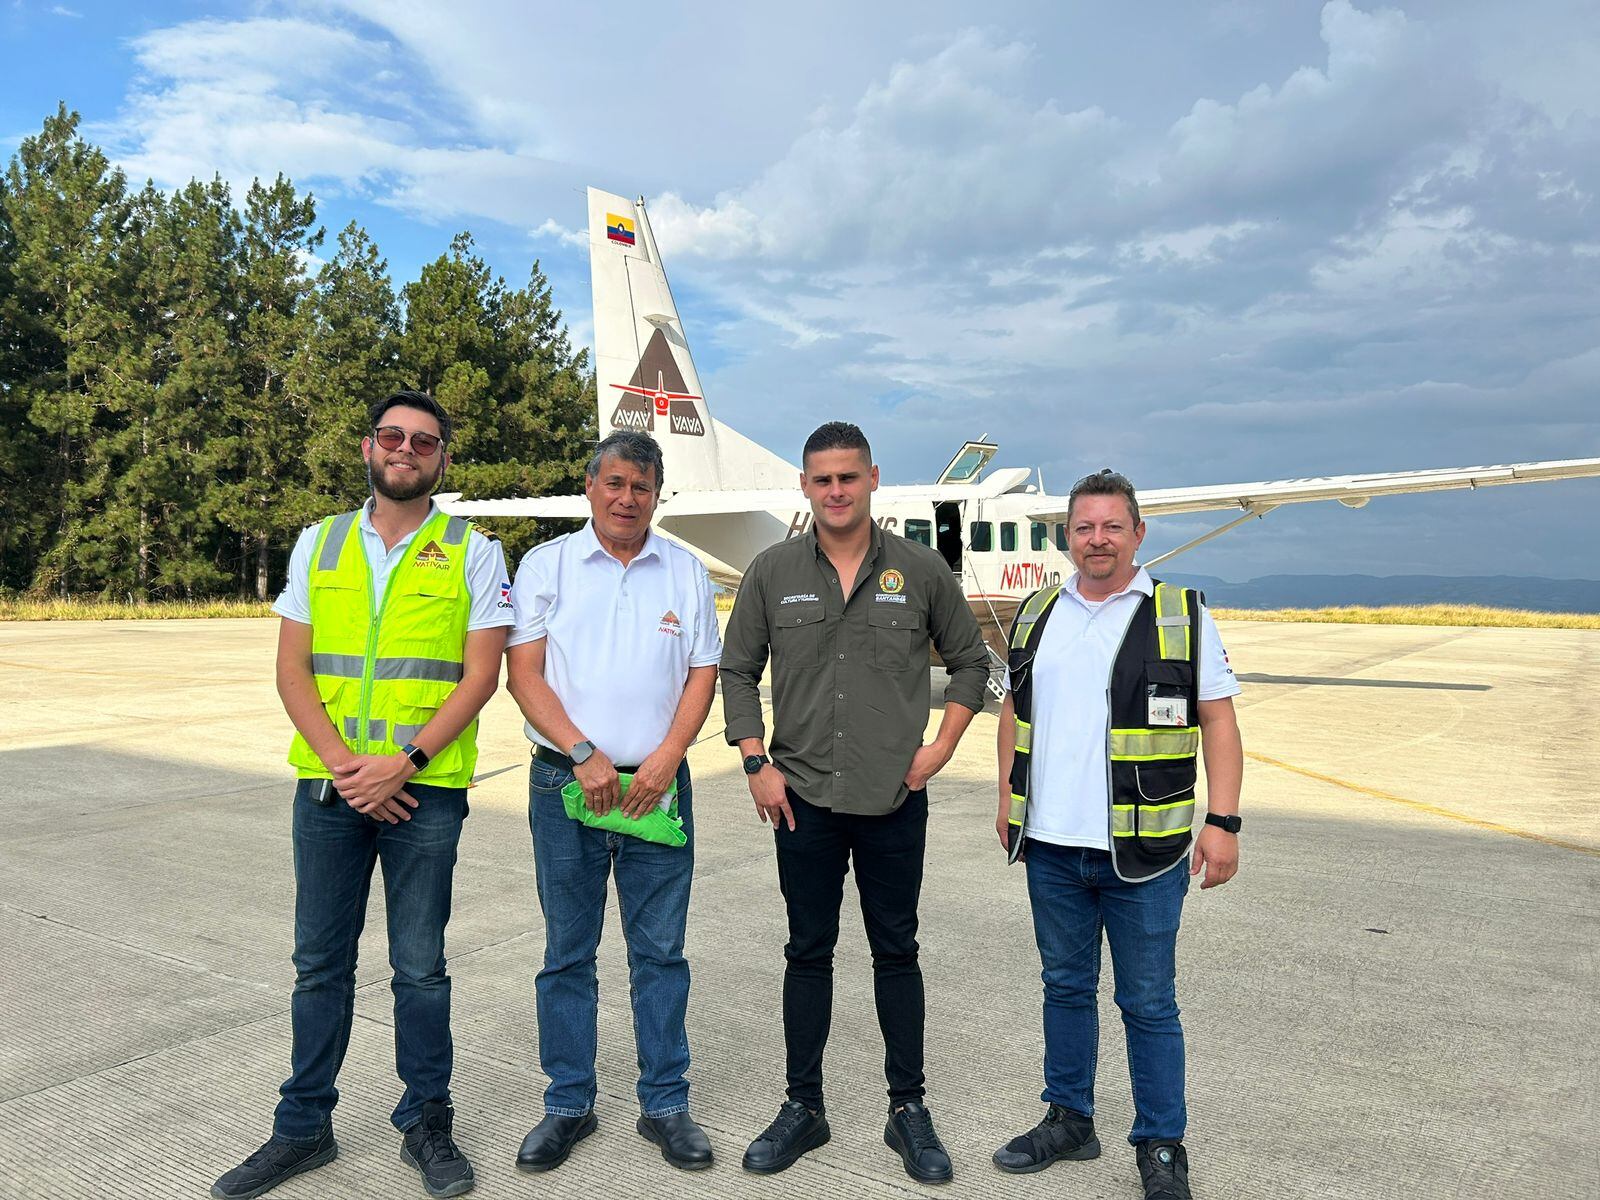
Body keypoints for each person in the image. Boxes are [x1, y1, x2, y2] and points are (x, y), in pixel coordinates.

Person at [213, 390, 512, 1200]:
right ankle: (303, 1128)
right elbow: (292, 669)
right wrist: (350, 767)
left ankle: (426, 1124)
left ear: (444, 457)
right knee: (319, 968)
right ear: (367, 448)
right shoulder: (320, 543)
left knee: (420, 969)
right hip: (330, 788)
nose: (405, 449)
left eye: (424, 440)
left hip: (426, 794)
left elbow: (482, 675)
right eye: (392, 436)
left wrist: (401, 765)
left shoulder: (475, 551)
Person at [720, 421, 991, 1184]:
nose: (836, 491)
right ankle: (803, 1106)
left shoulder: (921, 570)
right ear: (804, 487)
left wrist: (941, 748)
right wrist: (754, 762)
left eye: (848, 477)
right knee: (808, 953)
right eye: (821, 479)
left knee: (896, 953)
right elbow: (736, 672)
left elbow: (971, 662)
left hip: (892, 801)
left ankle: (908, 1110)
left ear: (873, 478)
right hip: (800, 798)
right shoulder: (772, 572)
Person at [991, 469, 1243, 1200]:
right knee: (1064, 988)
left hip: (1148, 853)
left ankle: (1161, 1144)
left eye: (1111, 526)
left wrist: (1222, 823)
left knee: (1148, 1001)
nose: (1097, 540)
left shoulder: (1181, 614)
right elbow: (1014, 710)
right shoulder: (1038, 612)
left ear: (1137, 533)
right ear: (1066, 537)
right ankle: (1069, 1118)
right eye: (1083, 527)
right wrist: (1008, 794)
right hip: (1051, 846)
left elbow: (1219, 721)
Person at [504, 431, 722, 1174]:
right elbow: (524, 675)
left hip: (657, 789)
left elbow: (702, 674)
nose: (628, 499)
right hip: (567, 783)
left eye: (643, 487)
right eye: (616, 483)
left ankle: (665, 1104)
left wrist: (665, 758)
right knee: (568, 953)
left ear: (657, 495)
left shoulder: (685, 572)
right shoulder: (547, 566)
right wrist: (584, 753)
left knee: (659, 953)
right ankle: (568, 1103)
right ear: (590, 487)